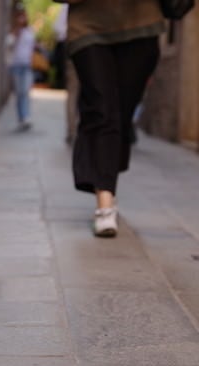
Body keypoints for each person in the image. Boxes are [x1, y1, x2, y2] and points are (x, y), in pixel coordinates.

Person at [64, 0, 165, 237]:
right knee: (102, 111)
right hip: (88, 30)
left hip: (141, 26)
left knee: (120, 116)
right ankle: (105, 203)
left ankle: (105, 182)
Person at [6, 9, 35, 131]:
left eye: (23, 17)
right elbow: (8, 45)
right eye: (19, 17)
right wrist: (16, 34)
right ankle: (21, 118)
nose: (21, 20)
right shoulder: (13, 32)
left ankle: (26, 117)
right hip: (16, 66)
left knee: (25, 92)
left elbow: (32, 47)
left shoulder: (29, 31)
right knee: (19, 93)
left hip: (27, 66)